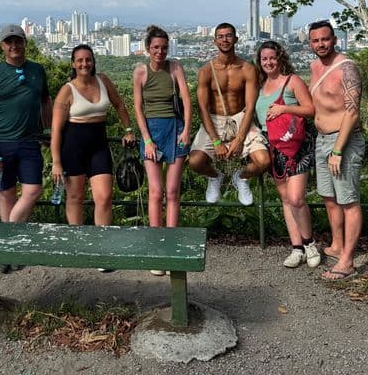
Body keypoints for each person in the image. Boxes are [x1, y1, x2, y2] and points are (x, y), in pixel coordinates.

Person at [0, 25, 52, 245]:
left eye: (18, 41)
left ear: (25, 43)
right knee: (6, 193)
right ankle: (12, 246)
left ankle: (6, 238)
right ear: (2, 46)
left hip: (30, 141)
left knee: (34, 190)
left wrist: (48, 130)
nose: (14, 46)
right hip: (1, 144)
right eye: (9, 42)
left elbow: (46, 101)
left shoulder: (37, 70)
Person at [50, 44, 136, 229]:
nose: (84, 64)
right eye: (79, 60)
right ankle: (77, 241)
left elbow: (119, 105)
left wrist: (128, 130)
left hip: (99, 146)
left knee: (104, 197)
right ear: (73, 64)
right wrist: (56, 162)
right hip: (73, 148)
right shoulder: (67, 90)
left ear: (93, 61)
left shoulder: (103, 80)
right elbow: (56, 129)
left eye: (88, 59)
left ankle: (102, 242)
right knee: (75, 197)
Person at [254, 40, 320, 269]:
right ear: (260, 62)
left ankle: (310, 242)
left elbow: (310, 110)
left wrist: (285, 108)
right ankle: (297, 247)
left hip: (297, 146)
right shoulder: (260, 87)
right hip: (273, 145)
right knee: (285, 199)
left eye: (272, 57)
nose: (269, 62)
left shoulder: (293, 81)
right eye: (264, 59)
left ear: (280, 57)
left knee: (296, 198)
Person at [132, 26, 193, 275]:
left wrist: (187, 130)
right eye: (156, 47)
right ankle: (157, 247)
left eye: (164, 47)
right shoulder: (140, 72)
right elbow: (138, 108)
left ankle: (171, 244)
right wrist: (146, 139)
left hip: (175, 129)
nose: (160, 52)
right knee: (156, 192)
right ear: (148, 48)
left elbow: (187, 100)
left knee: (172, 191)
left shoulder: (175, 67)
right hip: (152, 132)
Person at [188, 22, 269, 206]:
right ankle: (215, 176)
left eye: (229, 35)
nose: (225, 40)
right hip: (214, 118)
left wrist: (240, 139)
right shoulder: (206, 71)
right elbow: (203, 108)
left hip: (241, 117)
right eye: (221, 36)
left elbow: (250, 106)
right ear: (215, 41)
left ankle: (241, 177)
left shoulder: (247, 69)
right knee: (195, 162)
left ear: (236, 39)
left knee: (263, 161)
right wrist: (216, 141)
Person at [308, 20, 365, 281]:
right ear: (310, 43)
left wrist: (339, 150)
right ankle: (337, 245)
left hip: (343, 141)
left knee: (348, 200)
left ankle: (347, 261)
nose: (320, 44)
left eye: (325, 39)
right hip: (321, 139)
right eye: (315, 40)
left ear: (335, 39)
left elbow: (352, 112)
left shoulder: (347, 68)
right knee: (329, 198)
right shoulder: (314, 67)